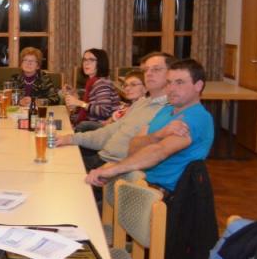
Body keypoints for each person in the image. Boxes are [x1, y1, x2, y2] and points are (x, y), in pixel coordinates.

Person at [86, 58, 213, 195]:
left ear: (198, 86)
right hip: (136, 183)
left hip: (157, 195)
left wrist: (112, 170)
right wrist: (159, 134)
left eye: (179, 82)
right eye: (169, 82)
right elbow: (133, 147)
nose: (171, 88)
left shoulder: (197, 117)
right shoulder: (165, 110)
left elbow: (159, 151)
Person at [57, 52, 173, 172]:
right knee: (55, 156)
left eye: (156, 69)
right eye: (146, 70)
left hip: (115, 168)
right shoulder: (141, 103)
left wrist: (112, 170)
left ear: (171, 74)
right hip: (102, 158)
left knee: (57, 166)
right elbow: (109, 132)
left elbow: (151, 157)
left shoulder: (169, 110)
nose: (148, 73)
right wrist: (70, 138)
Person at [64, 48, 121, 130]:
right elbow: (89, 104)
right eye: (84, 60)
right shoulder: (92, 81)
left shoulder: (102, 84)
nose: (86, 63)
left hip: (101, 127)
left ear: (100, 63)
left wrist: (79, 103)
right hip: (92, 123)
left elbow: (104, 111)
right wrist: (75, 95)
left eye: (91, 60)